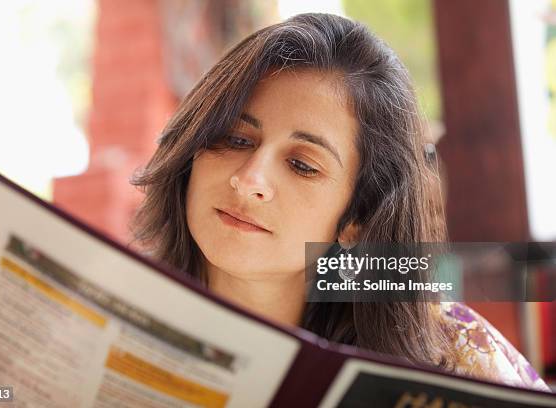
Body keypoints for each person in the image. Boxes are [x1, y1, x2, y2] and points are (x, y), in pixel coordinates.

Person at [130, 13, 550, 391]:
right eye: (236, 139)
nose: (249, 180)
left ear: (357, 218)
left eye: (302, 165)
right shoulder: (111, 314)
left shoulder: (458, 359)